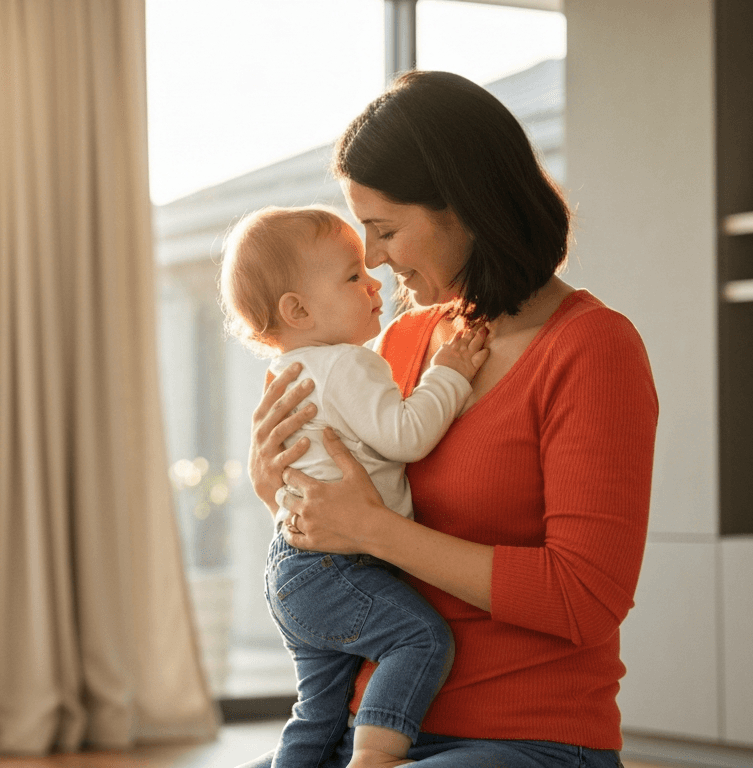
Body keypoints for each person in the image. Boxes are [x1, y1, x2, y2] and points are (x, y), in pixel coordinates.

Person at [239, 70, 658, 768]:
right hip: (371, 727)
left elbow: (585, 598)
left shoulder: (592, 349)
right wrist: (276, 489)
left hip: (525, 737)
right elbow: (349, 523)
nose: (371, 260)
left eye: (384, 230)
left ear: (462, 207)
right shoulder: (401, 344)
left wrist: (378, 531)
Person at [219, 205, 490, 768]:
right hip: (339, 568)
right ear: (297, 310)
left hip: (292, 567)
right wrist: (451, 373)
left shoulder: (293, 369)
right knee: (420, 641)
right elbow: (407, 435)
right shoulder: (348, 365)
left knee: (317, 713)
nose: (374, 278)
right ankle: (373, 760)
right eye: (352, 277)